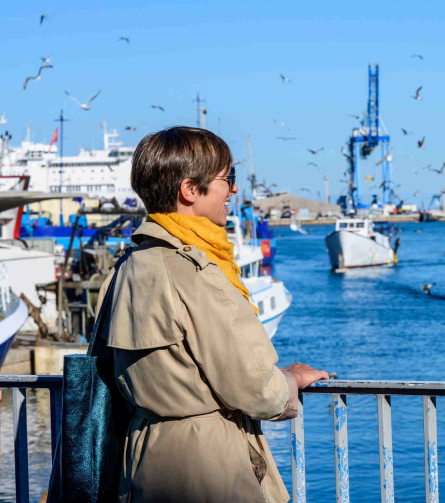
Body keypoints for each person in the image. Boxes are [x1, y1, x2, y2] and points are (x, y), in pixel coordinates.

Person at [97, 126, 328, 503]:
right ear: (190, 190)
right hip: (208, 468)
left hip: (142, 460)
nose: (233, 191)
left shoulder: (128, 266)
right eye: (227, 179)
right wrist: (290, 381)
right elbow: (255, 388)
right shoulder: (195, 272)